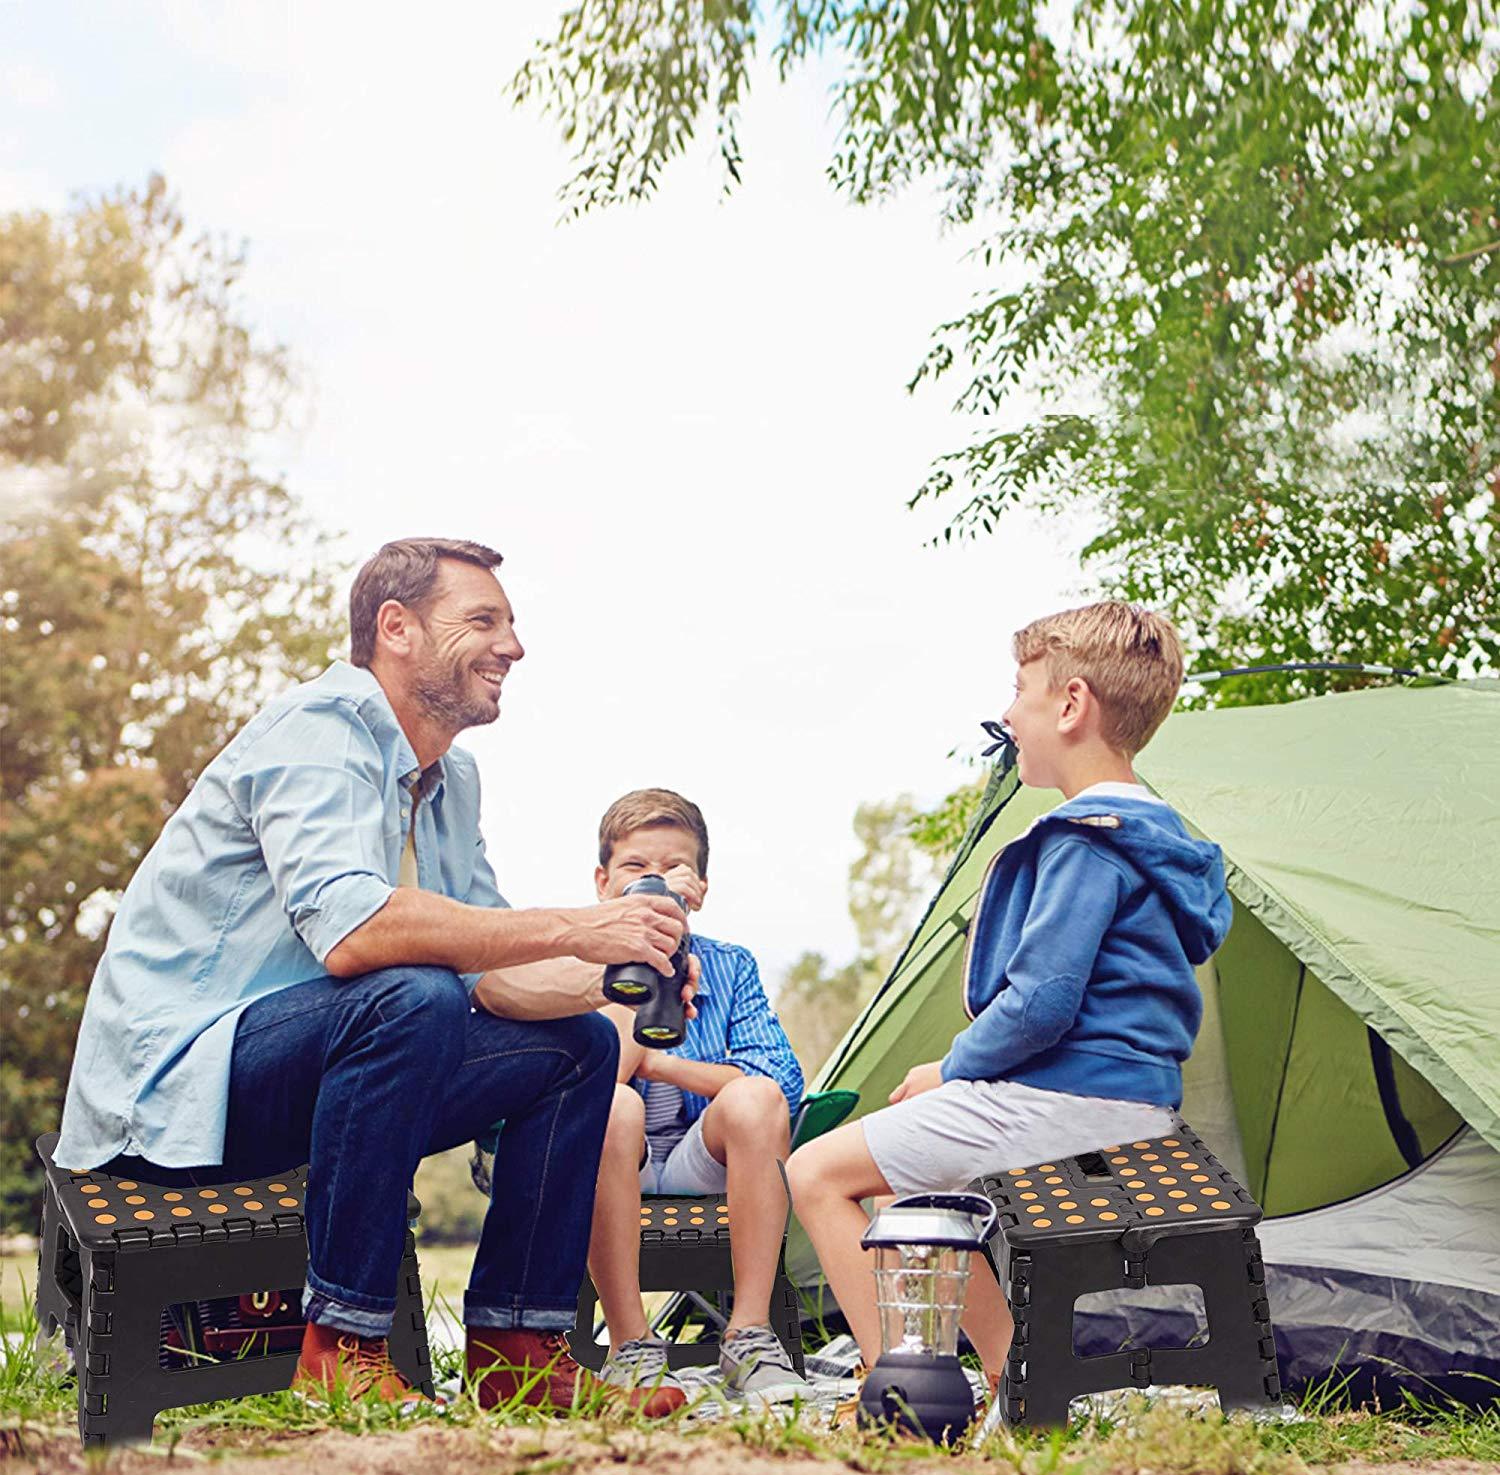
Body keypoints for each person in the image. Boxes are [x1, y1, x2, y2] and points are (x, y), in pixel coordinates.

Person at [53, 537, 694, 1416]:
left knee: (580, 1047)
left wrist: (612, 975)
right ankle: (342, 1349)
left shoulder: (451, 778)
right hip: (177, 1090)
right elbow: (353, 933)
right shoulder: (320, 728)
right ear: (396, 627)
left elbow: (494, 974)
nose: (513, 646)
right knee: (411, 993)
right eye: (484, 620)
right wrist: (581, 925)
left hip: (331, 1069)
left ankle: (517, 1353)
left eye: (511, 624)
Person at [787, 602, 1232, 1400]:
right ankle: (1007, 1375)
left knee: (816, 1170)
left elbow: (1040, 1006)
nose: (1008, 712)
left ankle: (899, 1386)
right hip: (1134, 1102)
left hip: (1075, 1102)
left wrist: (951, 1069)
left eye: (1021, 691)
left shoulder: (1088, 839)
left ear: (1070, 705)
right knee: (895, 1178)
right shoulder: (1157, 837)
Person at [583, 789, 809, 1404]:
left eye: (673, 870)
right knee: (613, 1106)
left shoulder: (730, 967)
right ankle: (631, 1344)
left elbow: (779, 1081)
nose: (654, 881)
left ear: (700, 888)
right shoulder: (576, 962)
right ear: (603, 883)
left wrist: (662, 1062)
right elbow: (586, 1088)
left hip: (696, 1155)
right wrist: (638, 968)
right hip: (608, 1156)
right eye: (636, 868)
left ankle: (749, 1334)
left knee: (755, 1099)